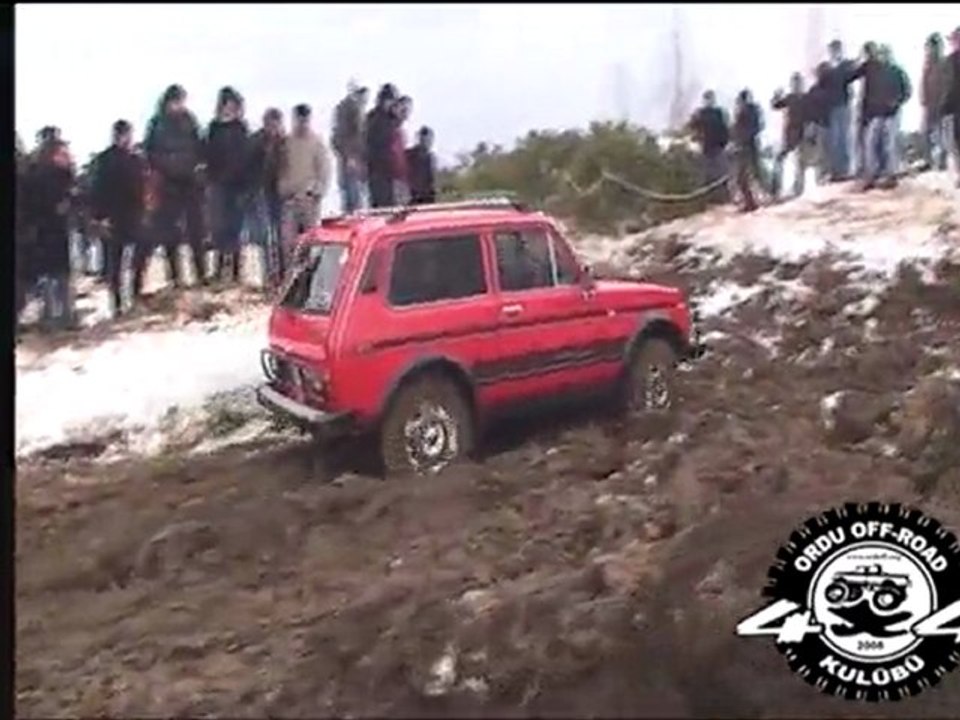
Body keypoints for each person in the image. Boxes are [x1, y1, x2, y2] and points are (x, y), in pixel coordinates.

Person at [136, 84, 207, 292]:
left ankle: (200, 273)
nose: (179, 105)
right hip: (166, 184)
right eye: (176, 101)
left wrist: (198, 166)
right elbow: (149, 151)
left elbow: (199, 145)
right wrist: (163, 168)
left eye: (181, 101)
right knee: (169, 232)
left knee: (196, 229)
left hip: (189, 181)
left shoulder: (189, 120)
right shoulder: (157, 124)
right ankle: (175, 275)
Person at [90, 120, 146, 318]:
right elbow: (97, 189)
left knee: (139, 254)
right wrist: (99, 216)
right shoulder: (106, 160)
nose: (127, 139)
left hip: (133, 214)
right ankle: (117, 303)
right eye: (124, 135)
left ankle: (134, 293)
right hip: (115, 215)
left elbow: (142, 186)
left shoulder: (135, 159)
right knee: (115, 260)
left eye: (128, 135)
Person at [20, 139, 76, 330]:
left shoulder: (63, 175)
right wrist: (56, 207)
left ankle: (63, 315)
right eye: (63, 153)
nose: (67, 157)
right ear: (53, 155)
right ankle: (54, 316)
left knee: (60, 275)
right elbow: (32, 203)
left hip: (56, 230)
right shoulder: (38, 176)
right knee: (51, 275)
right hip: (44, 231)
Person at [205, 86, 251, 284]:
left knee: (235, 228)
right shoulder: (214, 129)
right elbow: (207, 154)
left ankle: (235, 271)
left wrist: (244, 185)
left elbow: (245, 158)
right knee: (219, 228)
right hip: (218, 183)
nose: (230, 109)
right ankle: (218, 267)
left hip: (237, 184)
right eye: (228, 105)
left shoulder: (240, 129)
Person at [277, 103, 331, 272]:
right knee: (289, 243)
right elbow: (280, 167)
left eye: (304, 119)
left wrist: (317, 192)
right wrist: (283, 189)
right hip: (290, 200)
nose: (301, 123)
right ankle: (289, 278)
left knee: (311, 242)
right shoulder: (286, 142)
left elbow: (324, 170)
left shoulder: (316, 143)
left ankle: (311, 276)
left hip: (309, 201)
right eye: (298, 119)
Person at [246, 107, 287, 288]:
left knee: (280, 235)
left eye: (276, 123)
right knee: (265, 236)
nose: (274, 127)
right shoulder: (256, 141)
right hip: (260, 191)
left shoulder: (283, 142)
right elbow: (248, 166)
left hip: (278, 191)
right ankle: (268, 275)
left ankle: (281, 275)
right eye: (271, 123)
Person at [687, 90, 731, 205]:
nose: (709, 101)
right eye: (707, 99)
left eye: (710, 99)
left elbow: (725, 129)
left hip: (718, 147)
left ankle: (723, 199)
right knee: (707, 175)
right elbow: (692, 125)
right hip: (706, 147)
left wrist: (726, 143)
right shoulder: (701, 113)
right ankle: (707, 201)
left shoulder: (719, 112)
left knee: (721, 174)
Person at [770, 73, 809, 199]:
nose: (796, 86)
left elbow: (812, 114)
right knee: (783, 159)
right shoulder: (791, 98)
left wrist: (810, 130)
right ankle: (777, 188)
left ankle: (798, 188)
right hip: (790, 131)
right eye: (794, 83)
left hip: (801, 131)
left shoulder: (805, 98)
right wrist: (776, 95)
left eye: (798, 83)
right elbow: (775, 105)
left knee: (800, 161)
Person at [331, 82, 368, 213]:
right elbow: (340, 137)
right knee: (353, 203)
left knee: (354, 201)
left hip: (353, 161)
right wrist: (350, 157)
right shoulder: (349, 109)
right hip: (351, 162)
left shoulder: (355, 110)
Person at [825, 40, 857, 181]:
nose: (834, 53)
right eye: (832, 50)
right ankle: (835, 171)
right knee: (834, 140)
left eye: (836, 50)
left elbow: (852, 75)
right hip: (832, 107)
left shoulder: (846, 65)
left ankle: (845, 170)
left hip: (844, 105)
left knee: (844, 138)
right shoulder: (827, 69)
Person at [365, 83, 400, 207]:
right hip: (377, 168)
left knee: (390, 202)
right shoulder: (374, 118)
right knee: (380, 203)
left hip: (388, 169)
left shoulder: (390, 119)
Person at [732, 89, 765, 212]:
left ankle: (751, 202)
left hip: (745, 146)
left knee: (743, 177)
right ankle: (753, 201)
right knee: (752, 175)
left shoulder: (745, 112)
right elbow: (759, 126)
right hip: (750, 145)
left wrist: (740, 141)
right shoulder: (754, 110)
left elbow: (740, 130)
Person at [920, 33, 948, 172]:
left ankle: (942, 162)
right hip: (928, 105)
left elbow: (948, 84)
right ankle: (928, 161)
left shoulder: (944, 64)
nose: (929, 50)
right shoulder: (927, 65)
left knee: (940, 135)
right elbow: (923, 84)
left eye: (932, 46)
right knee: (925, 133)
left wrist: (945, 100)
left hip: (941, 104)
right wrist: (923, 100)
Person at [941, 27, 960, 186]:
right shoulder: (949, 60)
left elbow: (949, 86)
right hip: (953, 107)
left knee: (955, 143)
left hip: (953, 107)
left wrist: (944, 106)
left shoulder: (950, 61)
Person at [390, 96, 413, 205]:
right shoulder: (390, 128)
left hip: (403, 177)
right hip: (393, 177)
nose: (405, 113)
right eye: (403, 110)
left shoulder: (401, 130)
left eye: (407, 110)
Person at [406, 125, 437, 205]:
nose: (426, 141)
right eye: (423, 138)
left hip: (427, 197)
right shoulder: (409, 155)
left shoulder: (430, 157)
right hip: (412, 196)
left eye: (428, 139)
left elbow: (431, 179)